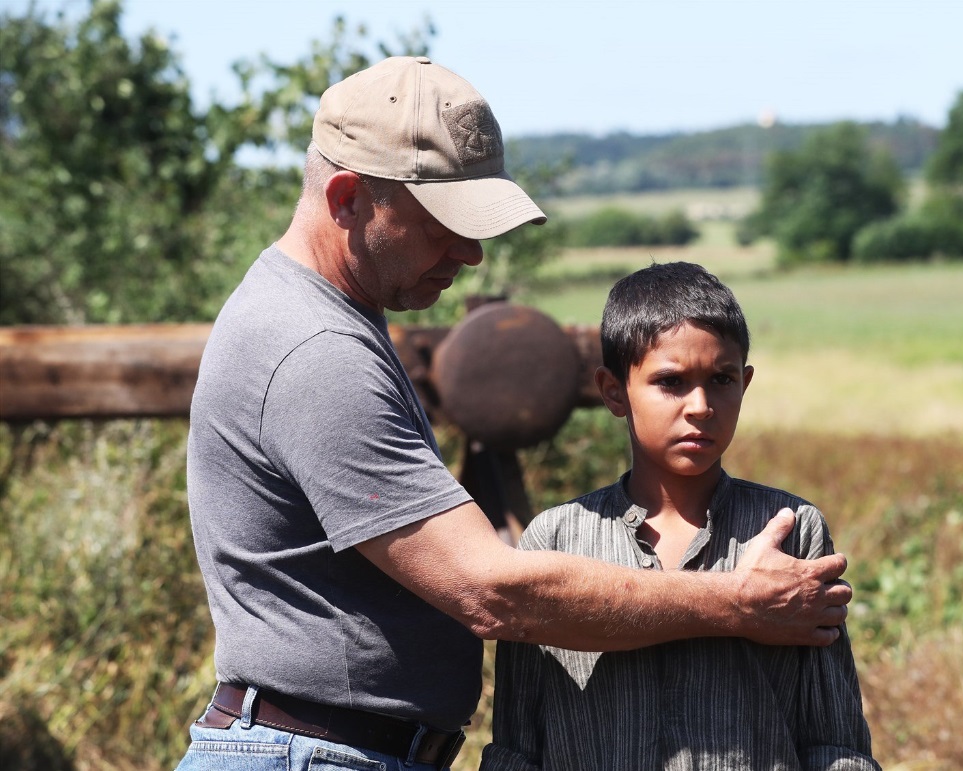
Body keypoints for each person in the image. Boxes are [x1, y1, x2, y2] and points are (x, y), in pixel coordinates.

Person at [177, 57, 853, 771]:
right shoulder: (316, 351)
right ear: (347, 198)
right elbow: (491, 590)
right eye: (443, 224)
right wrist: (738, 603)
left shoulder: (323, 318)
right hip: (315, 754)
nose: (470, 253)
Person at [480, 261, 878, 771]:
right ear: (614, 391)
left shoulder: (789, 532)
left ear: (745, 384)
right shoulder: (556, 539)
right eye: (671, 382)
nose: (701, 406)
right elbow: (517, 746)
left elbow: (835, 741)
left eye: (721, 379)